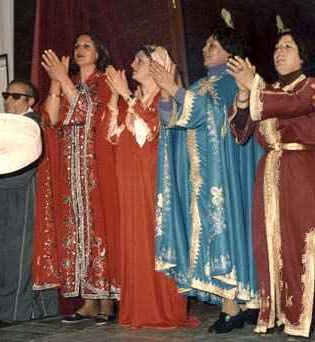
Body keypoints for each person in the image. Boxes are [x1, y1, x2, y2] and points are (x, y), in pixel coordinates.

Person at [150, 22, 263, 333]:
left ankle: (236, 305)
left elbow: (212, 116)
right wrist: (166, 91)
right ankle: (239, 303)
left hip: (225, 178)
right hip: (200, 176)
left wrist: (174, 88)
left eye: (212, 46)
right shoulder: (200, 84)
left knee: (228, 232)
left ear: (230, 53)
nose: (203, 50)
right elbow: (172, 122)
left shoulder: (232, 83)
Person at [228, 28, 315, 338]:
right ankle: (278, 311)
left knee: (299, 243)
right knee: (270, 244)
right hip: (269, 175)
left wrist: (254, 86)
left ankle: (304, 313)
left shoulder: (310, 86)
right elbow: (241, 133)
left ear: (302, 55)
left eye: (288, 46)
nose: (279, 51)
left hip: (301, 171)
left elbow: (291, 104)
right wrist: (242, 93)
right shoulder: (268, 90)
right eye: (277, 46)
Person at [105, 44, 199, 329]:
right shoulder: (136, 99)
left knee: (156, 239)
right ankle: (141, 308)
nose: (133, 63)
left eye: (140, 59)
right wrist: (115, 96)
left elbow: (149, 134)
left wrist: (125, 95)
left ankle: (164, 308)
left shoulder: (164, 96)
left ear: (156, 65)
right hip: (133, 181)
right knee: (136, 242)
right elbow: (114, 136)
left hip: (155, 181)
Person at [33, 33, 119, 324]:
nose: (79, 50)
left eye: (87, 46)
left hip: (97, 166)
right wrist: (57, 81)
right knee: (77, 227)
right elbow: (52, 118)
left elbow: (89, 111)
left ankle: (105, 300)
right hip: (71, 170)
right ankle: (88, 299)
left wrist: (64, 79)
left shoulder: (106, 81)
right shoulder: (72, 83)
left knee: (99, 226)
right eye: (77, 46)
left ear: (99, 53)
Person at [0, 79, 59, 327]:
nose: (8, 100)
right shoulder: (4, 125)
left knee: (17, 254)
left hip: (20, 195)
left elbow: (29, 163)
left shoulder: (33, 124)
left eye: (16, 96)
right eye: (6, 95)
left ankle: (15, 312)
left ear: (30, 101)